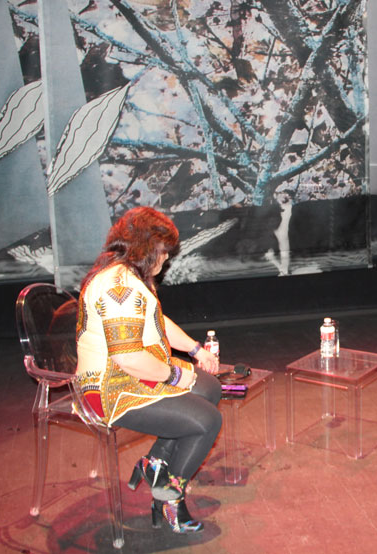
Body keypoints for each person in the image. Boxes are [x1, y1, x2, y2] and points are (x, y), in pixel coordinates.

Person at [75, 206, 222, 533]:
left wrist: (194, 349)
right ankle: (170, 498)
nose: (165, 259)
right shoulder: (120, 287)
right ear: (146, 247)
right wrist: (176, 375)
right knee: (207, 421)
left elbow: (158, 322)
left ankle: (155, 463)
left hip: (129, 373)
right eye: (163, 251)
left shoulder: (128, 275)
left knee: (209, 387)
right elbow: (128, 359)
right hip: (110, 388)